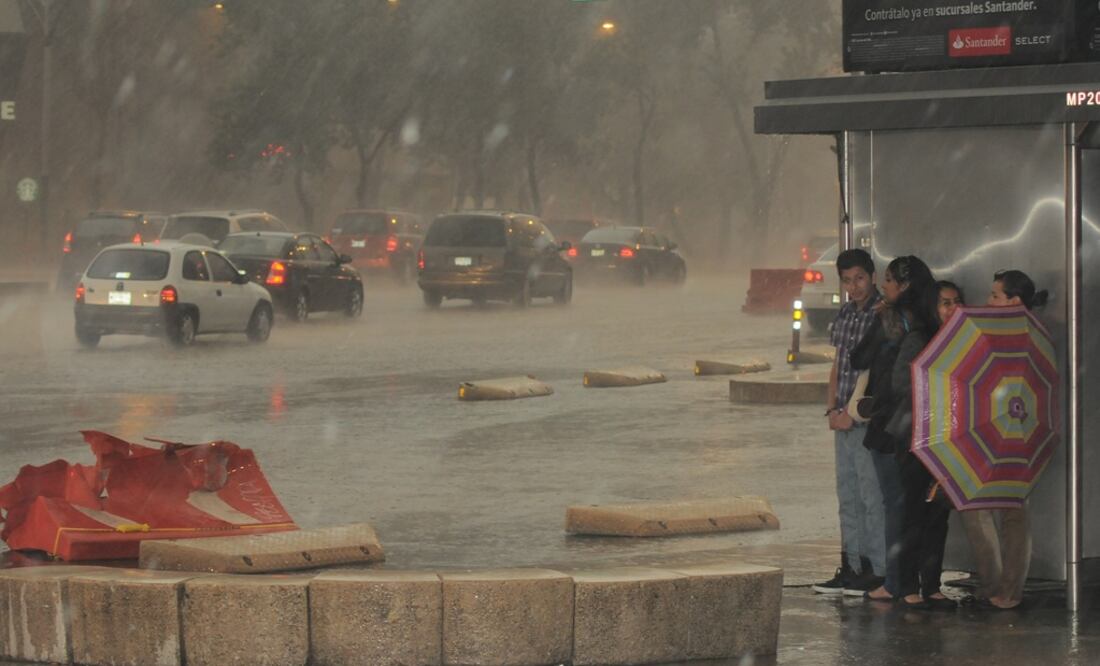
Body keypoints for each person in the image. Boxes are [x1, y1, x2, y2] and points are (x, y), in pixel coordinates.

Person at [849, 257, 936, 603]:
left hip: (893, 427)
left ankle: (898, 584)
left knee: (896, 505)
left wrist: (880, 318)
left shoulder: (895, 319)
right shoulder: (930, 320)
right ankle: (917, 585)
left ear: (904, 286)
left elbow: (860, 359)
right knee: (916, 506)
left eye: (887, 280)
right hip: (924, 424)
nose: (883, 287)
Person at [961, 269, 1049, 610]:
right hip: (983, 429)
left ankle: (1007, 590)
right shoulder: (987, 333)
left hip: (1015, 430)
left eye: (996, 295)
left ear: (1014, 301)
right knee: (978, 508)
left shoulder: (1028, 337)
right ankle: (996, 584)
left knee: (1011, 511)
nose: (988, 300)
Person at [813, 248, 886, 596]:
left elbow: (871, 372)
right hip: (840, 417)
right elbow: (839, 364)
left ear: (872, 276)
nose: (854, 286)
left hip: (865, 419)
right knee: (848, 493)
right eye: (847, 280)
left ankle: (878, 569)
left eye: (859, 278)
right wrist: (831, 410)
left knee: (871, 495)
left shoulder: (881, 314)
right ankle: (852, 566)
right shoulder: (844, 314)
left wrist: (850, 413)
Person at [891, 270, 957, 610]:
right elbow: (902, 383)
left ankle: (932, 584)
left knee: (938, 516)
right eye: (945, 303)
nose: (951, 309)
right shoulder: (920, 338)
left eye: (956, 302)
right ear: (932, 306)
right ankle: (906, 585)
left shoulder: (962, 342)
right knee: (914, 514)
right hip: (916, 437)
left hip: (947, 439)